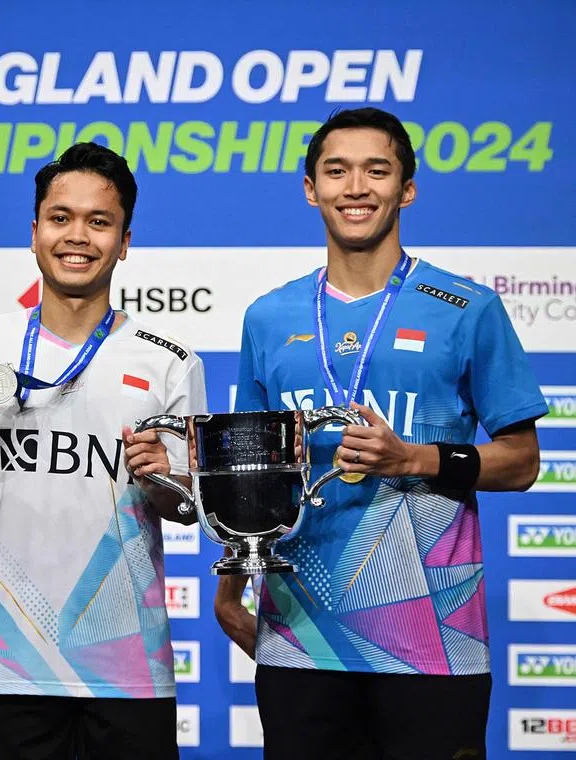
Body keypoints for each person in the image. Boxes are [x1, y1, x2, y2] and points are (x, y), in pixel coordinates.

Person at [213, 107, 547, 760]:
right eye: (337, 171)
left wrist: (414, 457)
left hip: (432, 643)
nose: (357, 187)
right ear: (311, 189)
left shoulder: (467, 307)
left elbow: (523, 461)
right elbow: (249, 476)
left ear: (408, 188)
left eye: (377, 170)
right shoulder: (268, 317)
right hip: (301, 637)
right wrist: (229, 592)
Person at [0, 141, 207, 760]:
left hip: (128, 667)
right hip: (8, 666)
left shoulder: (169, 362)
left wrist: (164, 481)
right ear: (35, 231)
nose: (78, 236)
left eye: (100, 222)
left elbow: (189, 509)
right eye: (61, 217)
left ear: (124, 241)